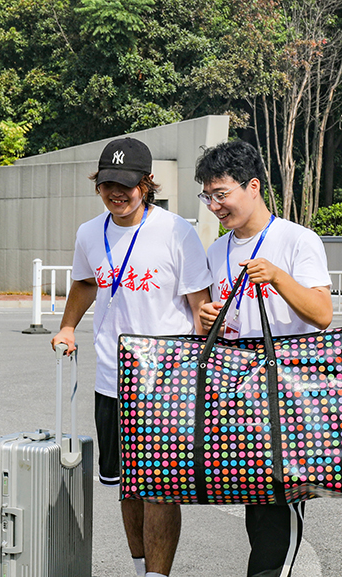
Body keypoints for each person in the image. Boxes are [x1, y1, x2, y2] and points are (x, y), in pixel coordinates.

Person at [51, 137, 211, 577]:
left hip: (168, 383)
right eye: (108, 184)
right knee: (126, 486)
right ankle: (141, 569)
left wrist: (204, 375)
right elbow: (86, 282)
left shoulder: (177, 231)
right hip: (112, 379)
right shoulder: (90, 233)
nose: (116, 193)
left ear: (147, 183)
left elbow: (200, 304)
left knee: (161, 488)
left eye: (126, 184)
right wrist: (68, 326)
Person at [195, 139, 332, 577]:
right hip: (238, 395)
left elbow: (322, 314)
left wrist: (277, 276)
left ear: (252, 186)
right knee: (258, 507)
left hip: (286, 395)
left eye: (221, 194)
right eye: (207, 196)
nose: (214, 206)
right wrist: (207, 318)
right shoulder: (217, 250)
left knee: (279, 507)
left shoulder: (297, 239)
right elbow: (222, 322)